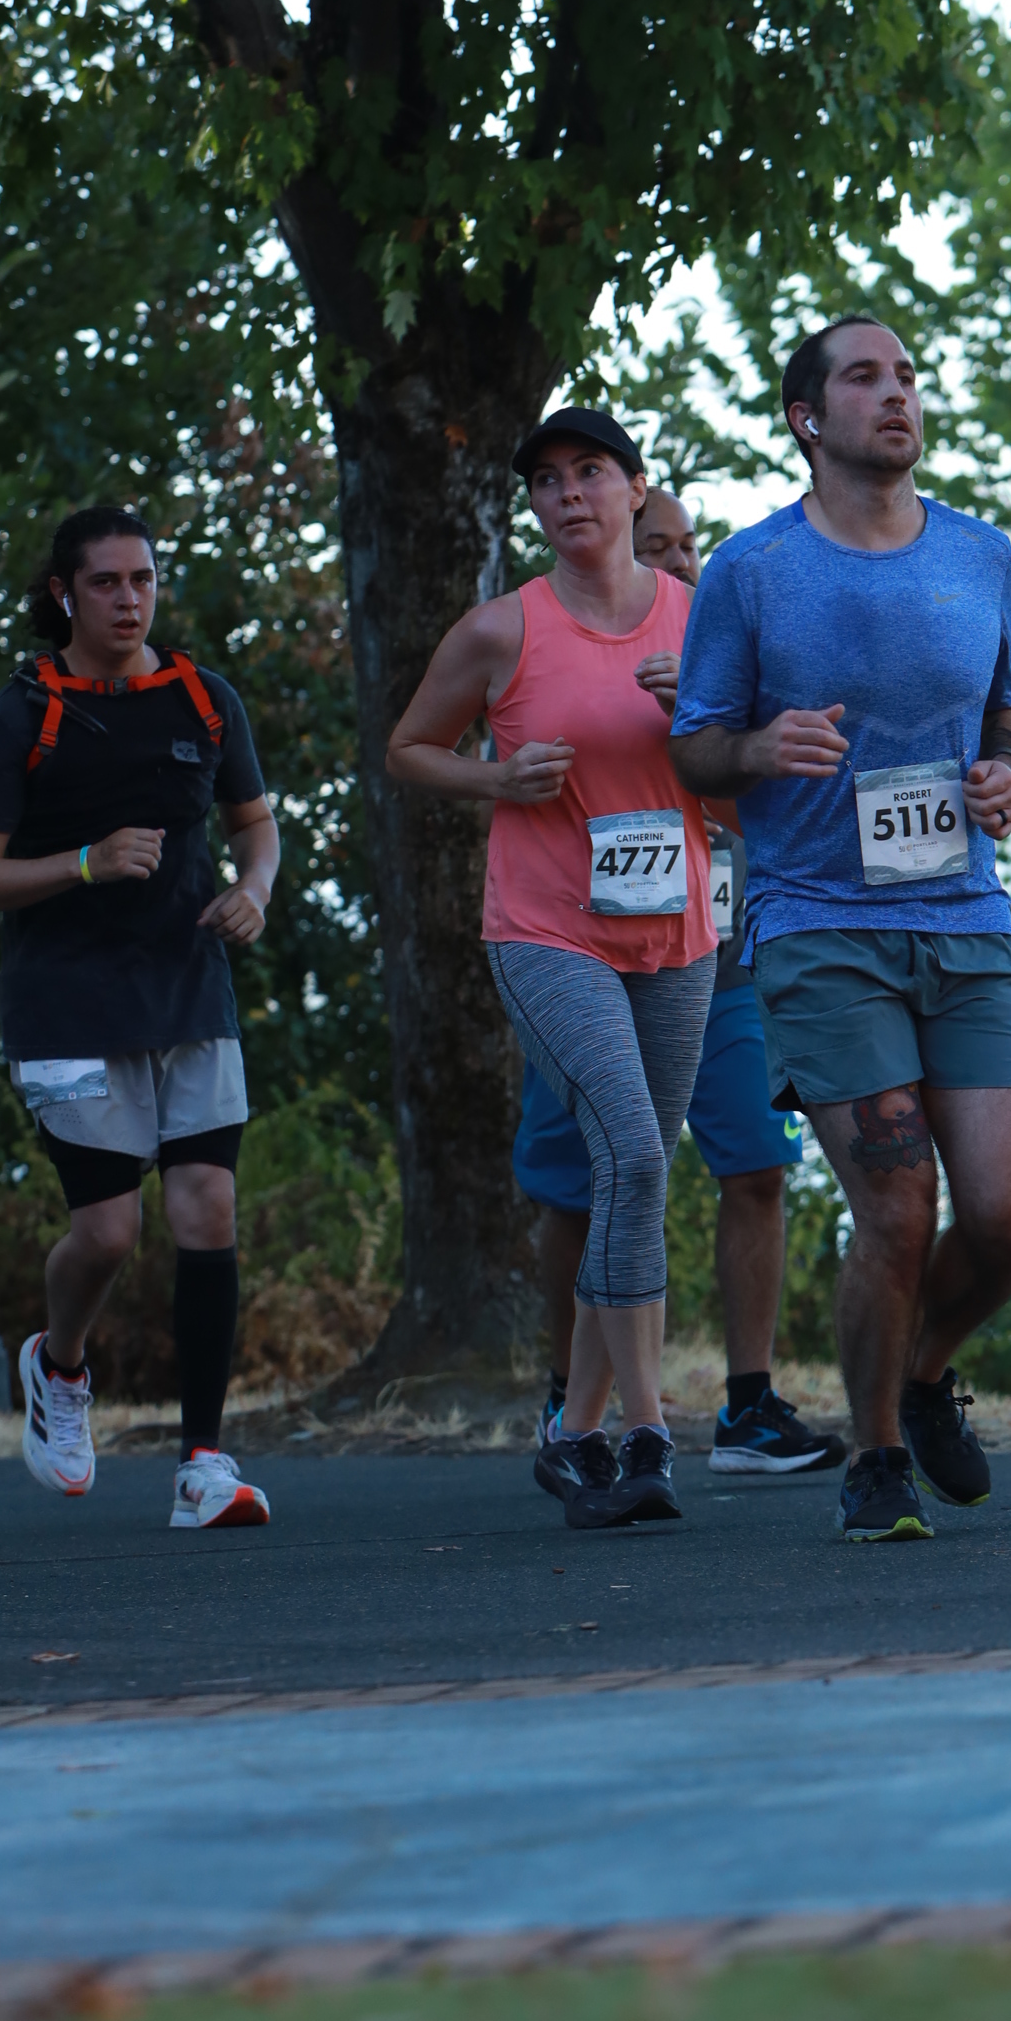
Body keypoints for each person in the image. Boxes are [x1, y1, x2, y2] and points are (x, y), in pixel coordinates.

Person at [671, 316, 1011, 1542]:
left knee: (1008, 1215)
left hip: (964, 919)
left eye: (907, 377)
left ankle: (924, 1371)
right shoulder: (750, 570)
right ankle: (876, 1455)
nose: (897, 395)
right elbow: (693, 748)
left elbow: (1010, 716)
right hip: (818, 921)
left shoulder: (980, 554)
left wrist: (1004, 775)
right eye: (864, 377)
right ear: (806, 418)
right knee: (895, 1202)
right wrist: (756, 748)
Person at [386, 407, 716, 1531]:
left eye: (590, 473)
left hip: (677, 936)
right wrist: (497, 778)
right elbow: (408, 749)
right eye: (546, 480)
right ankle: (647, 1430)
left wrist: (700, 724)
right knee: (631, 1152)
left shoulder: (700, 619)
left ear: (636, 489)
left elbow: (740, 793)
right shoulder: (501, 628)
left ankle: (573, 1433)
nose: (568, 494)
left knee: (637, 1177)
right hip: (545, 932)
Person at [0, 506, 280, 1527]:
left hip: (189, 990)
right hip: (68, 1003)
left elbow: (255, 828)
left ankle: (203, 1466)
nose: (130, 600)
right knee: (105, 1232)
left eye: (143, 579)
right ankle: (59, 1365)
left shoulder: (203, 698)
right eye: (106, 582)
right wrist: (84, 864)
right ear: (64, 593)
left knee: (207, 1208)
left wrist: (255, 890)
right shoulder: (25, 713)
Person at [513, 488, 846, 1476]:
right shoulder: (557, 648)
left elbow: (773, 814)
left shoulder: (727, 657)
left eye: (689, 546)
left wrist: (704, 742)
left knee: (757, 1169)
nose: (680, 563)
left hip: (720, 964)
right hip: (587, 965)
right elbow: (526, 804)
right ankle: (568, 1403)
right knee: (578, 1186)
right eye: (658, 546)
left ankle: (748, 1407)